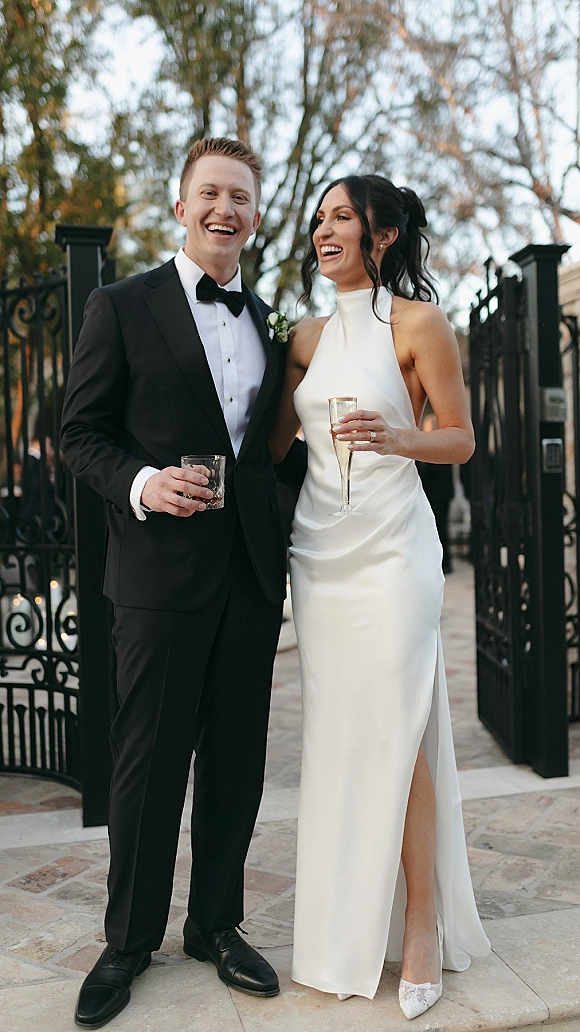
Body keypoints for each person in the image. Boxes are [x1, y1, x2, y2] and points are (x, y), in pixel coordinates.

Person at [60, 137, 305, 1030]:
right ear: (180, 204)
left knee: (237, 763)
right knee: (147, 765)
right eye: (210, 193)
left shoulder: (270, 319)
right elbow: (78, 432)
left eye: (240, 196)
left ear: (253, 212)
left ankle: (215, 926)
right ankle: (127, 941)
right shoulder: (120, 307)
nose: (224, 210)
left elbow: (272, 448)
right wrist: (144, 484)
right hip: (158, 577)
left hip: (247, 577)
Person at [269, 174, 490, 1018]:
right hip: (321, 555)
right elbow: (274, 440)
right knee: (343, 737)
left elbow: (460, 437)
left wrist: (401, 435)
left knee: (401, 726)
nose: (324, 230)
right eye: (319, 218)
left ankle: (423, 923)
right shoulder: (305, 335)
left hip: (395, 551)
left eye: (341, 217)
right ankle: (344, 927)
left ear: (383, 234)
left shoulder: (419, 323)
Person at [417, 414, 455, 574]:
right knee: (439, 528)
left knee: (440, 528)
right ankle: (442, 561)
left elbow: (432, 470)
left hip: (438, 494)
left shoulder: (440, 446)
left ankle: (444, 562)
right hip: (440, 494)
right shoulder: (441, 445)